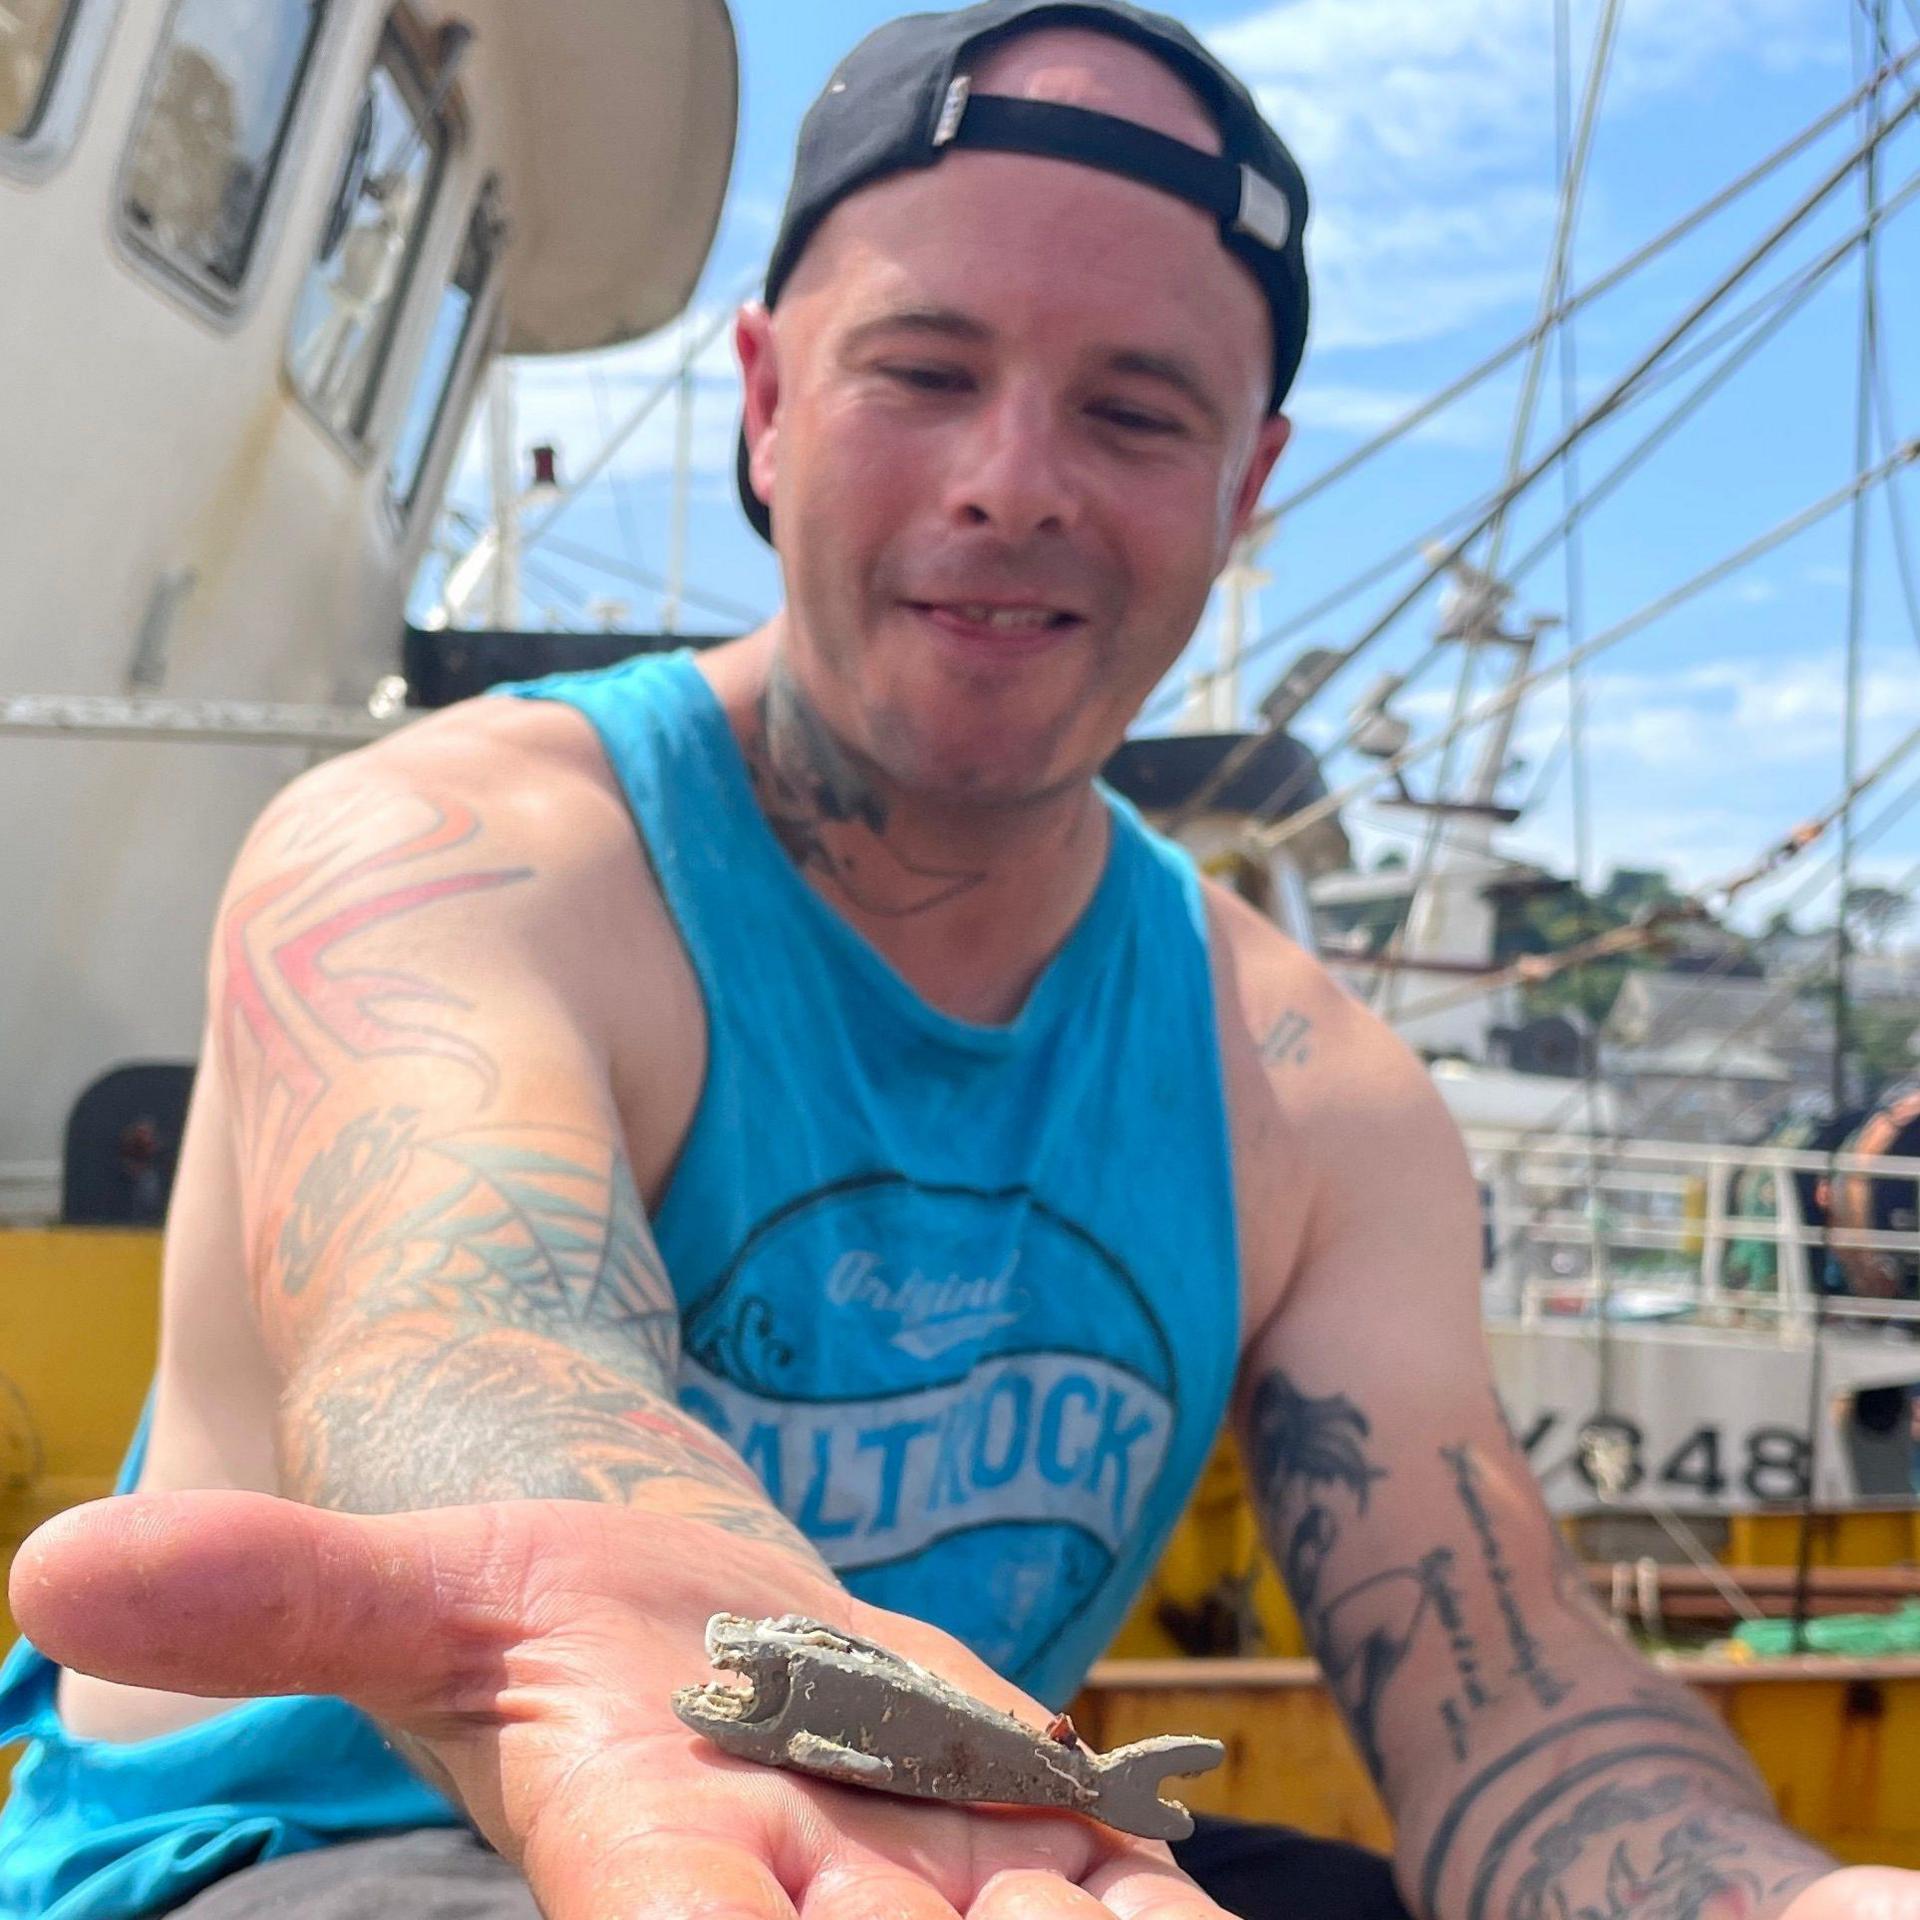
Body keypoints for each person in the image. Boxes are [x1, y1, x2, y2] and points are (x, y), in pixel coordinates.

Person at [4, 3, 1915, 1917]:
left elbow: (1517, 1722)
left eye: (1135, 409)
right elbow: (462, 1322)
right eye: (922, 371)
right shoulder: (446, 855)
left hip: (969, 1835)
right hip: (285, 1847)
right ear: (762, 400)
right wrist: (644, 1592)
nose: (1013, 480)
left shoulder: (1315, 1100)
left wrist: (1784, 1900)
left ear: (1248, 486)